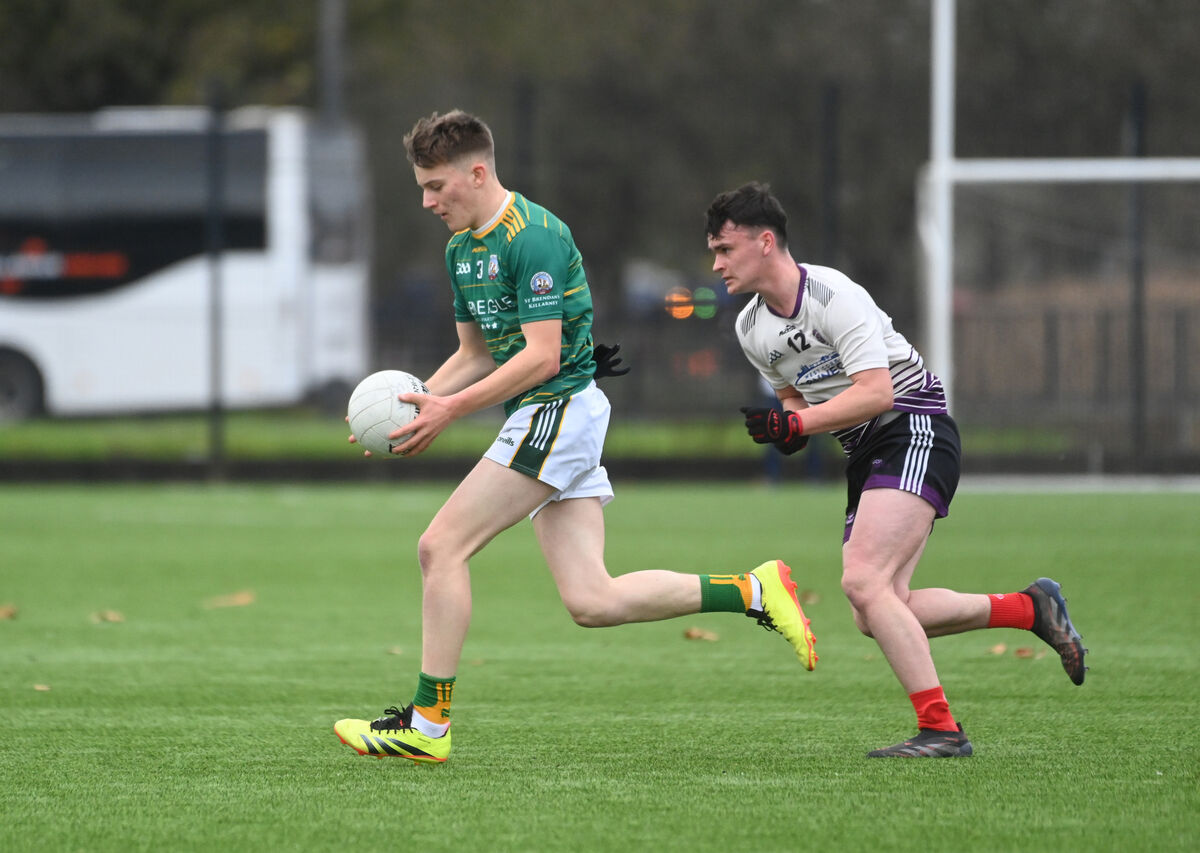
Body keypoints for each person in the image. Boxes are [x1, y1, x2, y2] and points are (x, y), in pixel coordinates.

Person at [333, 113, 817, 763]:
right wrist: (410, 406)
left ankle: (427, 724)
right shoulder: (461, 250)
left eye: (435, 185)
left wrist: (449, 410)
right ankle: (755, 590)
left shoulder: (535, 237)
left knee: (439, 546)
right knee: (593, 599)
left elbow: (541, 356)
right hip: (545, 414)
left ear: (477, 173)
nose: (426, 201)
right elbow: (474, 352)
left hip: (556, 407)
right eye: (421, 187)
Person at [705, 182, 1087, 758]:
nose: (716, 264)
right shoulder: (749, 328)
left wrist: (799, 427)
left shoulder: (833, 294)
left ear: (765, 242)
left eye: (725, 249)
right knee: (875, 611)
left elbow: (878, 392)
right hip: (868, 452)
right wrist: (785, 430)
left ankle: (941, 730)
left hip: (915, 428)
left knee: (862, 582)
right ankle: (1030, 608)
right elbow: (795, 405)